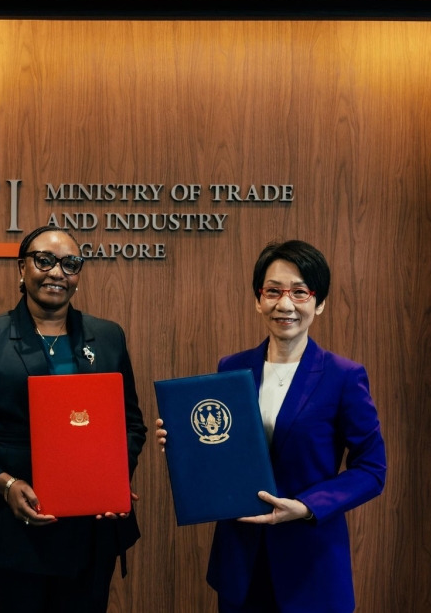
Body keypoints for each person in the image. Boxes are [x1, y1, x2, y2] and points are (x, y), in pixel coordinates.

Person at [157, 240, 386, 613]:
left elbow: (372, 470)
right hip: (241, 561)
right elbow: (222, 452)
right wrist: (185, 443)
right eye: (273, 291)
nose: (285, 304)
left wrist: (307, 506)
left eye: (299, 292)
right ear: (258, 299)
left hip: (310, 563)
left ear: (319, 302)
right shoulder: (232, 368)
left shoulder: (343, 376)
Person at [0, 225, 147, 613]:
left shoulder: (108, 336)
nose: (57, 273)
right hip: (6, 531)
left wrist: (112, 478)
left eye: (70, 264)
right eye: (44, 260)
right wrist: (6, 484)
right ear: (22, 267)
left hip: (89, 533)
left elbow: (131, 424)